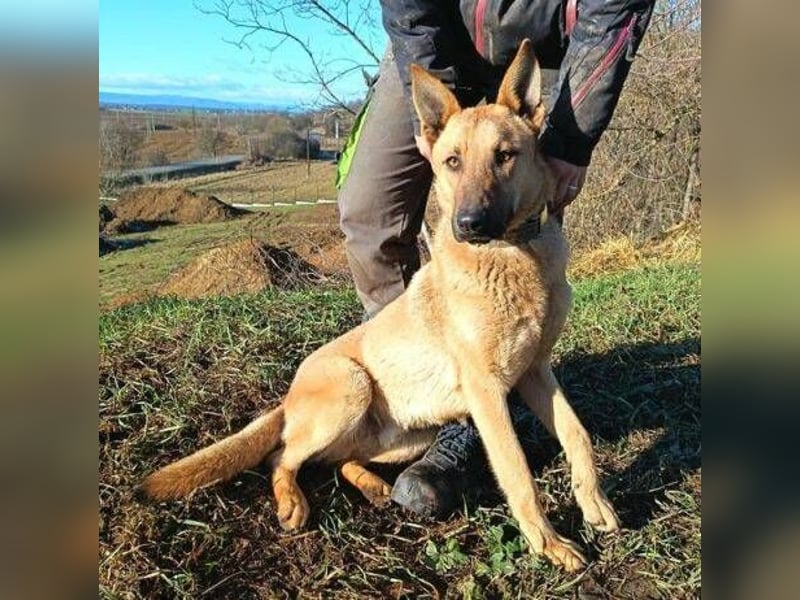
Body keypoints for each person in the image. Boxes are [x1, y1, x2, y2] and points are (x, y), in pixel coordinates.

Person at [335, 0, 655, 517]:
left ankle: (467, 424)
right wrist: (447, 119)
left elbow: (614, 10)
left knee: (526, 197)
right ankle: (412, 391)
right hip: (435, 41)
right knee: (369, 208)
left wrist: (570, 143)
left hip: (543, 43)